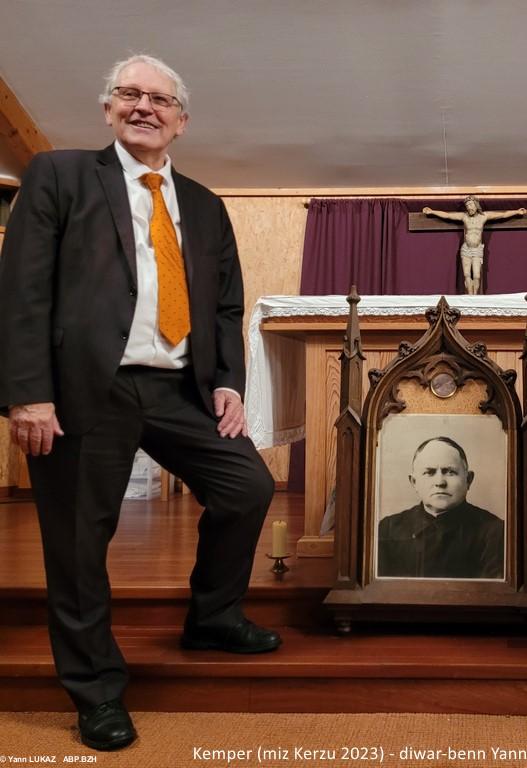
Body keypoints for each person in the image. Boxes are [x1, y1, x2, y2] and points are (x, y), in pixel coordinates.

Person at [0, 55, 279, 751]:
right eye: (130, 94)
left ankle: (213, 618)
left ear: (181, 121)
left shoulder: (207, 205)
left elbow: (224, 305)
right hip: (82, 388)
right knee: (78, 539)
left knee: (245, 484)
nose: (144, 106)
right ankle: (95, 689)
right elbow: (23, 290)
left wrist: (227, 383)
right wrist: (27, 393)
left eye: (160, 99)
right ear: (108, 109)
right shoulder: (59, 176)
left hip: (177, 385)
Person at [378, 436, 504, 579]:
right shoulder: (388, 528)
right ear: (414, 482)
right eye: (429, 472)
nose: (440, 482)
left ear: (468, 479)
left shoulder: (494, 532)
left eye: (450, 472)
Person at [422, 196, 526, 294]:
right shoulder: (464, 216)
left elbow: (502, 214)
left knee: (476, 275)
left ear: (476, 205)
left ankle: (475, 297)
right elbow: (448, 215)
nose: (469, 208)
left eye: (471, 205)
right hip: (466, 249)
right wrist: (432, 212)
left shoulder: (484, 216)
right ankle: (470, 296)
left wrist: (517, 212)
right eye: (467, 206)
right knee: (466, 275)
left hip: (477, 249)